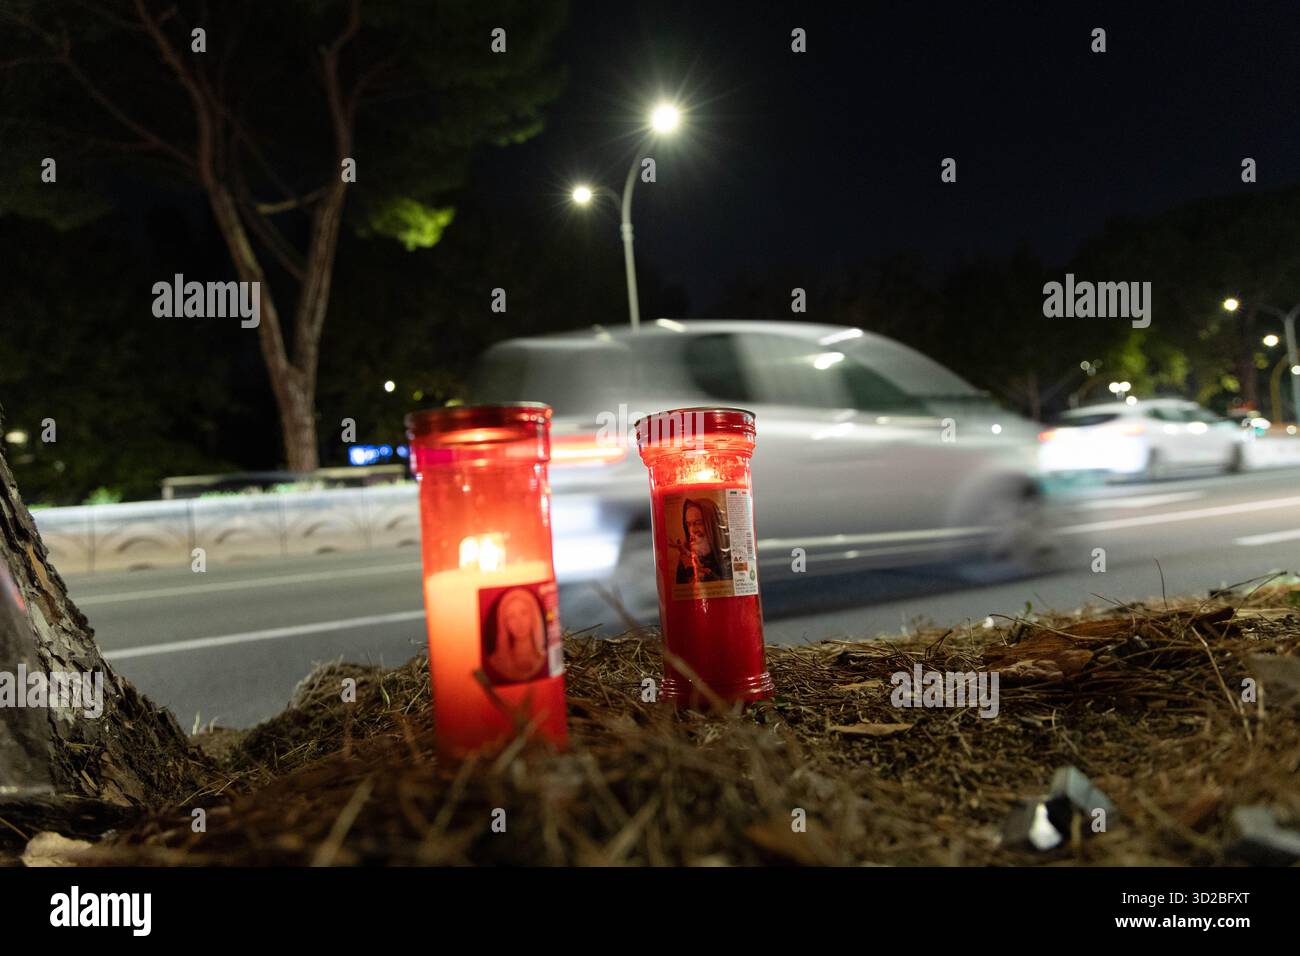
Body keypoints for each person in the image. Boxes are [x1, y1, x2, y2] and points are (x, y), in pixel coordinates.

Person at [487, 588, 546, 682]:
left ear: (533, 616)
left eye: (524, 613)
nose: (519, 622)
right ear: (504, 623)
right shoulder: (497, 661)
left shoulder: (545, 658)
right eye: (511, 617)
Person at [673, 497, 732, 584]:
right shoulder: (686, 557)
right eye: (688, 525)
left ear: (711, 524)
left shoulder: (729, 550)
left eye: (698, 523)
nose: (692, 531)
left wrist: (707, 577)